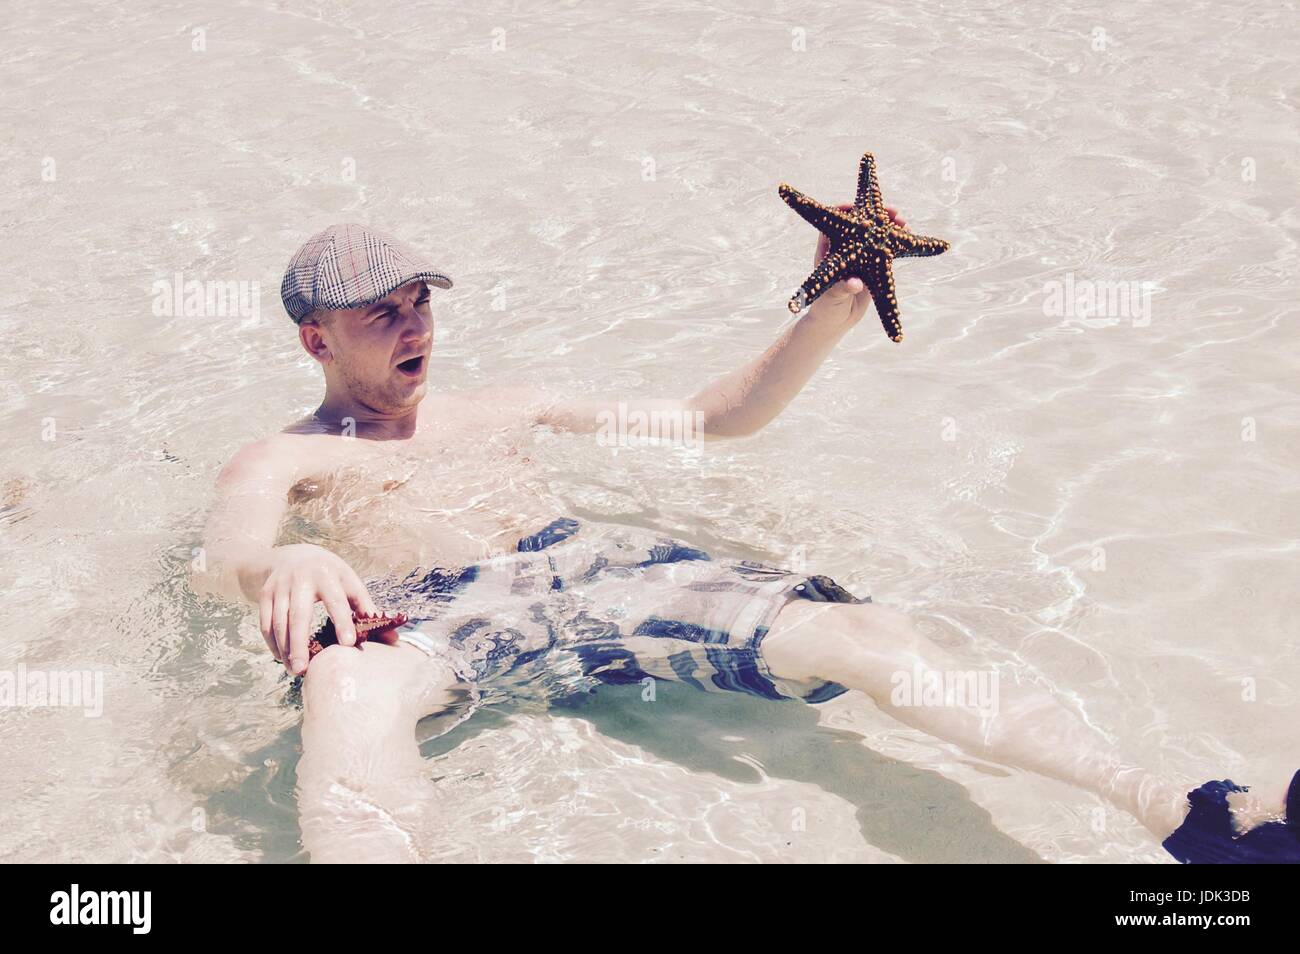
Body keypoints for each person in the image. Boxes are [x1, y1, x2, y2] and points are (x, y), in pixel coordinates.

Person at [190, 222, 1297, 863]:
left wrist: (830, 307)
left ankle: (1192, 817)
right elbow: (226, 561)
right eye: (383, 312)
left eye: (419, 298)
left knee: (867, 635)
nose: (416, 323)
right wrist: (280, 561)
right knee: (342, 689)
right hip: (441, 612)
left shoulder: (505, 404)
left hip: (594, 572)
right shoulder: (283, 459)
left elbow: (715, 421)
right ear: (314, 338)